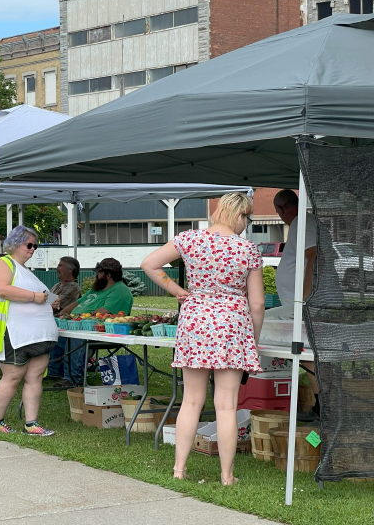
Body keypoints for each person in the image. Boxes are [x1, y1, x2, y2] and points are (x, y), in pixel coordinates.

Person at [141, 192, 265, 486]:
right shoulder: (248, 250)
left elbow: (149, 264)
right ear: (238, 215)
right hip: (232, 324)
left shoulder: (189, 239)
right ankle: (226, 475)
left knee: (191, 401)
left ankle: (179, 470)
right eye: (246, 217)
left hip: (195, 320)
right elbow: (257, 305)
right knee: (226, 405)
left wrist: (176, 290)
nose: (246, 224)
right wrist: (253, 340)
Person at [0, 225, 58, 436]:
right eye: (29, 245)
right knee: (13, 377)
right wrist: (35, 298)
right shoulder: (3, 264)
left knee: (35, 376)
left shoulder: (25, 270)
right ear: (16, 244)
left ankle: (31, 423)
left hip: (38, 336)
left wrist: (51, 300)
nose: (33, 249)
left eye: (35, 245)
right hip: (14, 333)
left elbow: (38, 293)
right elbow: (3, 289)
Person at [272, 189, 320, 421]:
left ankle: (322, 406)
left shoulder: (303, 222)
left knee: (309, 354)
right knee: (306, 354)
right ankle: (320, 403)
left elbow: (314, 256)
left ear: (281, 210)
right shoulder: (301, 223)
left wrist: (305, 296)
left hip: (302, 305)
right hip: (294, 305)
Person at [53, 258, 134, 388]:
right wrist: (61, 315)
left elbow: (102, 313)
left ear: (108, 275)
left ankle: (74, 379)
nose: (96, 275)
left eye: (99, 272)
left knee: (75, 336)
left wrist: (77, 318)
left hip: (100, 330)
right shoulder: (97, 288)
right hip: (79, 324)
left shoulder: (120, 291)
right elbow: (76, 304)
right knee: (55, 332)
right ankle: (53, 372)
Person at [45, 257, 82, 380]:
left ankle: (53, 372)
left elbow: (54, 306)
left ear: (71, 270)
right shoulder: (58, 285)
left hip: (62, 324)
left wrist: (43, 301)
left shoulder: (73, 287)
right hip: (50, 321)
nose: (57, 268)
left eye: (61, 266)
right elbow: (47, 303)